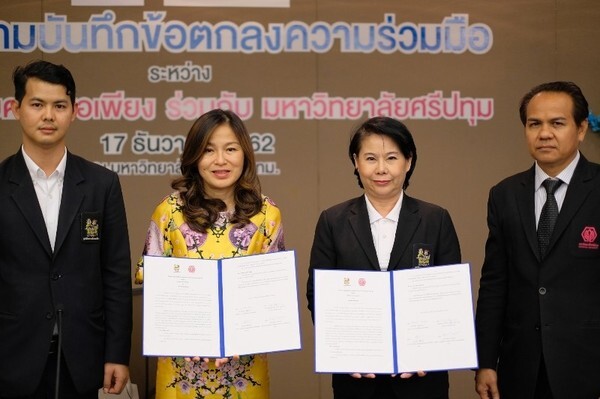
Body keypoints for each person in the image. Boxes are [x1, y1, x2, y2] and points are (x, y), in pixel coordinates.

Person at [0, 59, 132, 398]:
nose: (48, 115)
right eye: (37, 104)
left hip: (81, 359)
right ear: (16, 109)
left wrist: (117, 353)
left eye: (59, 105)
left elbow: (115, 274)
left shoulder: (102, 184)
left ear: (74, 111)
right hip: (11, 357)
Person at [306, 116, 461, 399]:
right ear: (356, 161)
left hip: (422, 380)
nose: (381, 169)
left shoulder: (435, 219)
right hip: (356, 379)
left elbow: (449, 299)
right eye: (370, 158)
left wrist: (432, 350)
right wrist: (343, 350)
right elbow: (317, 295)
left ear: (408, 161)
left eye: (391, 157)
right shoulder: (333, 220)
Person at [135, 108, 285, 399]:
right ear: (194, 156)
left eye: (230, 149)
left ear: (245, 155)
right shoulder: (168, 212)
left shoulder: (268, 214)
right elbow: (151, 282)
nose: (220, 160)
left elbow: (272, 297)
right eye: (208, 150)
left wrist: (251, 332)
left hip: (245, 368)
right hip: (182, 371)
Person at [475, 81, 600, 399]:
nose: (545, 133)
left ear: (581, 129)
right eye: (535, 124)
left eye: (557, 123)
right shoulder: (504, 195)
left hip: (587, 368)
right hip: (521, 369)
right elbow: (494, 285)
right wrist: (486, 361)